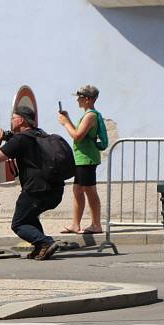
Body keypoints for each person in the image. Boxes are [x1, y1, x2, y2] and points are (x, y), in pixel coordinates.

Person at [0, 105, 63, 261]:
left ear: (21, 120)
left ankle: (45, 242)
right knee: (30, 217)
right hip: (55, 189)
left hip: (35, 189)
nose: (11, 121)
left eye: (13, 118)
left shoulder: (21, 138)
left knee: (19, 223)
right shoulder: (41, 134)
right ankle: (40, 248)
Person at [57, 85, 103, 234]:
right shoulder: (87, 115)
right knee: (77, 189)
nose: (78, 100)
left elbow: (77, 135)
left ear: (88, 99)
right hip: (81, 158)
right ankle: (75, 224)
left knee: (90, 190)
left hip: (87, 158)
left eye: (80, 97)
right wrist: (68, 119)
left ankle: (96, 224)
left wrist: (65, 123)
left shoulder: (90, 115)